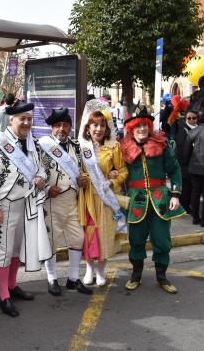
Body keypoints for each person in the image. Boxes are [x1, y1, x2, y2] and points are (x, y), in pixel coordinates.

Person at [0, 101, 52, 317]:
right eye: (22, 119)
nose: (26, 123)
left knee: (16, 249)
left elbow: (43, 168)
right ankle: (4, 296)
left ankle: (12, 285)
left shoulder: (33, 144)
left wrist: (41, 177)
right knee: (4, 250)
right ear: (11, 120)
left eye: (29, 119)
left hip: (28, 203)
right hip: (5, 205)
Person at [120, 105, 185, 294]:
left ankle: (162, 276)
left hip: (160, 199)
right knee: (136, 240)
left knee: (162, 240)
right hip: (136, 200)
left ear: (149, 127)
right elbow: (118, 172)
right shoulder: (123, 149)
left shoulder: (162, 146)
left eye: (145, 126)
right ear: (131, 129)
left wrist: (175, 194)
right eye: (138, 126)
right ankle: (136, 275)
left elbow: (174, 170)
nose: (142, 130)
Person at [39, 107, 91, 296]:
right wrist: (46, 189)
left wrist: (84, 179)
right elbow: (34, 174)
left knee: (77, 238)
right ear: (51, 128)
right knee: (51, 241)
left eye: (65, 125)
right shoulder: (42, 147)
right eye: (58, 125)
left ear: (70, 127)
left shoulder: (77, 146)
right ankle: (52, 278)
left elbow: (84, 170)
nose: (62, 129)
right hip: (52, 202)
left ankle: (73, 278)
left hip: (73, 200)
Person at [78, 99, 129, 287]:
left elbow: (123, 171)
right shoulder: (81, 147)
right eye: (94, 125)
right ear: (88, 127)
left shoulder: (113, 147)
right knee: (89, 234)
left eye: (101, 125)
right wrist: (81, 178)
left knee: (105, 234)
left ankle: (101, 270)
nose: (98, 129)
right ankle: (89, 269)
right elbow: (77, 170)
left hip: (107, 198)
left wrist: (113, 179)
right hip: (88, 198)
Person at [174, 109, 197, 214]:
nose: (192, 120)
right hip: (186, 163)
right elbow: (181, 147)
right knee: (187, 187)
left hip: (197, 164)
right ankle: (185, 207)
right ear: (186, 119)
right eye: (189, 118)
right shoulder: (183, 130)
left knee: (193, 187)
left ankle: (190, 205)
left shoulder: (198, 128)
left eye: (194, 118)